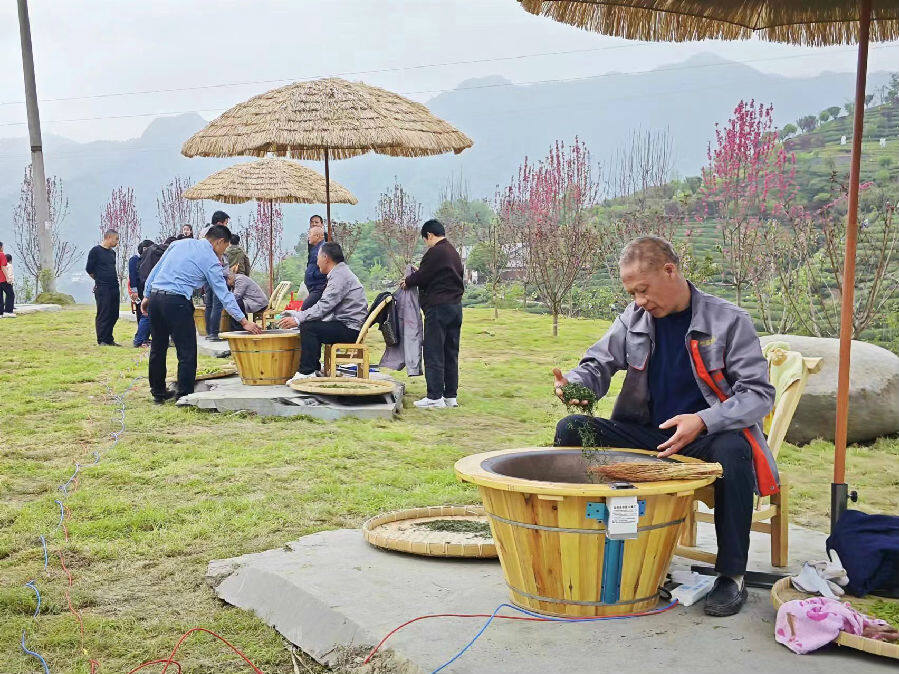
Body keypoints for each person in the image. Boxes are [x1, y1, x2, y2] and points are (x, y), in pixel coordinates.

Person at [552, 236, 776, 617]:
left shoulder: (728, 320)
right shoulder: (633, 319)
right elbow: (597, 364)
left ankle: (731, 574)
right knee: (572, 427)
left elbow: (758, 394)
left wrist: (703, 420)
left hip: (706, 438)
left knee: (734, 452)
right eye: (632, 292)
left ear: (669, 271)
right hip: (648, 435)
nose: (639, 300)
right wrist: (576, 386)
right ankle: (575, 543)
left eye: (643, 289)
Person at [141, 224, 262, 404]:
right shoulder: (210, 259)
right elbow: (224, 294)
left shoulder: (180, 244)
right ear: (219, 242)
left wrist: (146, 295)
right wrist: (244, 321)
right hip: (177, 302)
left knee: (158, 348)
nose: (223, 253)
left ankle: (158, 393)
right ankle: (185, 394)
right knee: (186, 350)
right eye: (224, 248)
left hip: (156, 298)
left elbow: (156, 269)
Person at [279, 242, 367, 380]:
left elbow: (324, 306)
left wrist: (298, 318)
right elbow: (324, 306)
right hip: (345, 324)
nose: (317, 262)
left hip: (349, 329)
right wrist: (299, 315)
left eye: (318, 258)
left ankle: (306, 372)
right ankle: (313, 367)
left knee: (309, 328)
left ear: (326, 258)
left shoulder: (340, 276)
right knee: (310, 323)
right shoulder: (340, 272)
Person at [400, 219, 464, 410]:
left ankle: (435, 397)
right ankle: (450, 395)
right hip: (455, 307)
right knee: (450, 353)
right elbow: (438, 275)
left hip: (438, 308)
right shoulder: (452, 252)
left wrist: (408, 281)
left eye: (425, 239)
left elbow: (423, 276)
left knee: (434, 351)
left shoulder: (435, 251)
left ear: (429, 235)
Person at [86, 230, 121, 346]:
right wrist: (99, 280)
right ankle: (102, 340)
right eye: (116, 239)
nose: (117, 242)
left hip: (114, 286)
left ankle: (109, 339)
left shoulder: (112, 253)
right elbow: (89, 269)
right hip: (103, 287)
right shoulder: (95, 251)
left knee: (114, 313)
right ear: (109, 237)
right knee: (104, 313)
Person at [204, 211, 230, 340]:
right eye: (226, 223)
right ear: (220, 223)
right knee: (218, 304)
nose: (227, 226)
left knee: (209, 304)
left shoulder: (204, 232)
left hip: (205, 274)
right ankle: (214, 333)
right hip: (217, 273)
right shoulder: (217, 236)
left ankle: (209, 332)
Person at [128, 239, 154, 347]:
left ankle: (145, 337)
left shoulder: (150, 261)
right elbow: (132, 276)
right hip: (139, 290)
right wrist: (134, 291)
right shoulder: (135, 260)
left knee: (148, 314)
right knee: (141, 313)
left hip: (148, 290)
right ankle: (141, 338)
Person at [303, 215, 328, 310]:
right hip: (313, 285)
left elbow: (328, 265)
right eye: (312, 222)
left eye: (316, 222)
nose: (314, 224)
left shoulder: (324, 246)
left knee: (306, 309)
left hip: (319, 285)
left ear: (321, 224)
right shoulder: (313, 245)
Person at [0, 251, 15, 318]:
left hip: (1, 280)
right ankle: (8, 311)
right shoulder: (9, 265)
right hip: (6, 280)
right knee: (10, 295)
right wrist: (9, 280)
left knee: (1, 296)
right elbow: (9, 273)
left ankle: (1, 312)